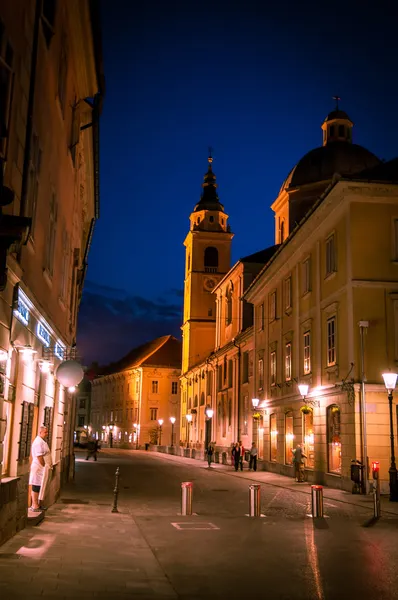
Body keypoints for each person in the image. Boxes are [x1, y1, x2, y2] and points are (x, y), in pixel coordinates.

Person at [29, 426, 52, 512]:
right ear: (40, 432)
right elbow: (39, 456)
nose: (47, 434)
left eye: (47, 432)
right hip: (38, 467)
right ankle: (34, 505)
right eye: (45, 432)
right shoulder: (38, 442)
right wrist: (44, 465)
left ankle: (38, 504)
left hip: (42, 468)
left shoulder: (42, 441)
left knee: (40, 486)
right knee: (36, 486)